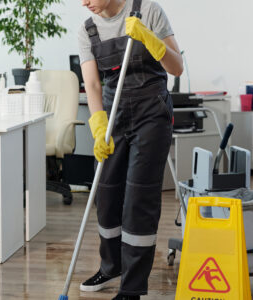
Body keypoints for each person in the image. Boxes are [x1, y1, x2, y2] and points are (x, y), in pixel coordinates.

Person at [77, 0, 183, 299]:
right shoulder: (87, 29)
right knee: (107, 194)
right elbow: (93, 85)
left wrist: (150, 39)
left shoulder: (147, 10)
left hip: (152, 113)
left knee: (138, 199)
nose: (85, 3)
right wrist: (98, 126)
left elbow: (177, 67)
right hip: (113, 117)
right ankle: (112, 266)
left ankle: (132, 287)